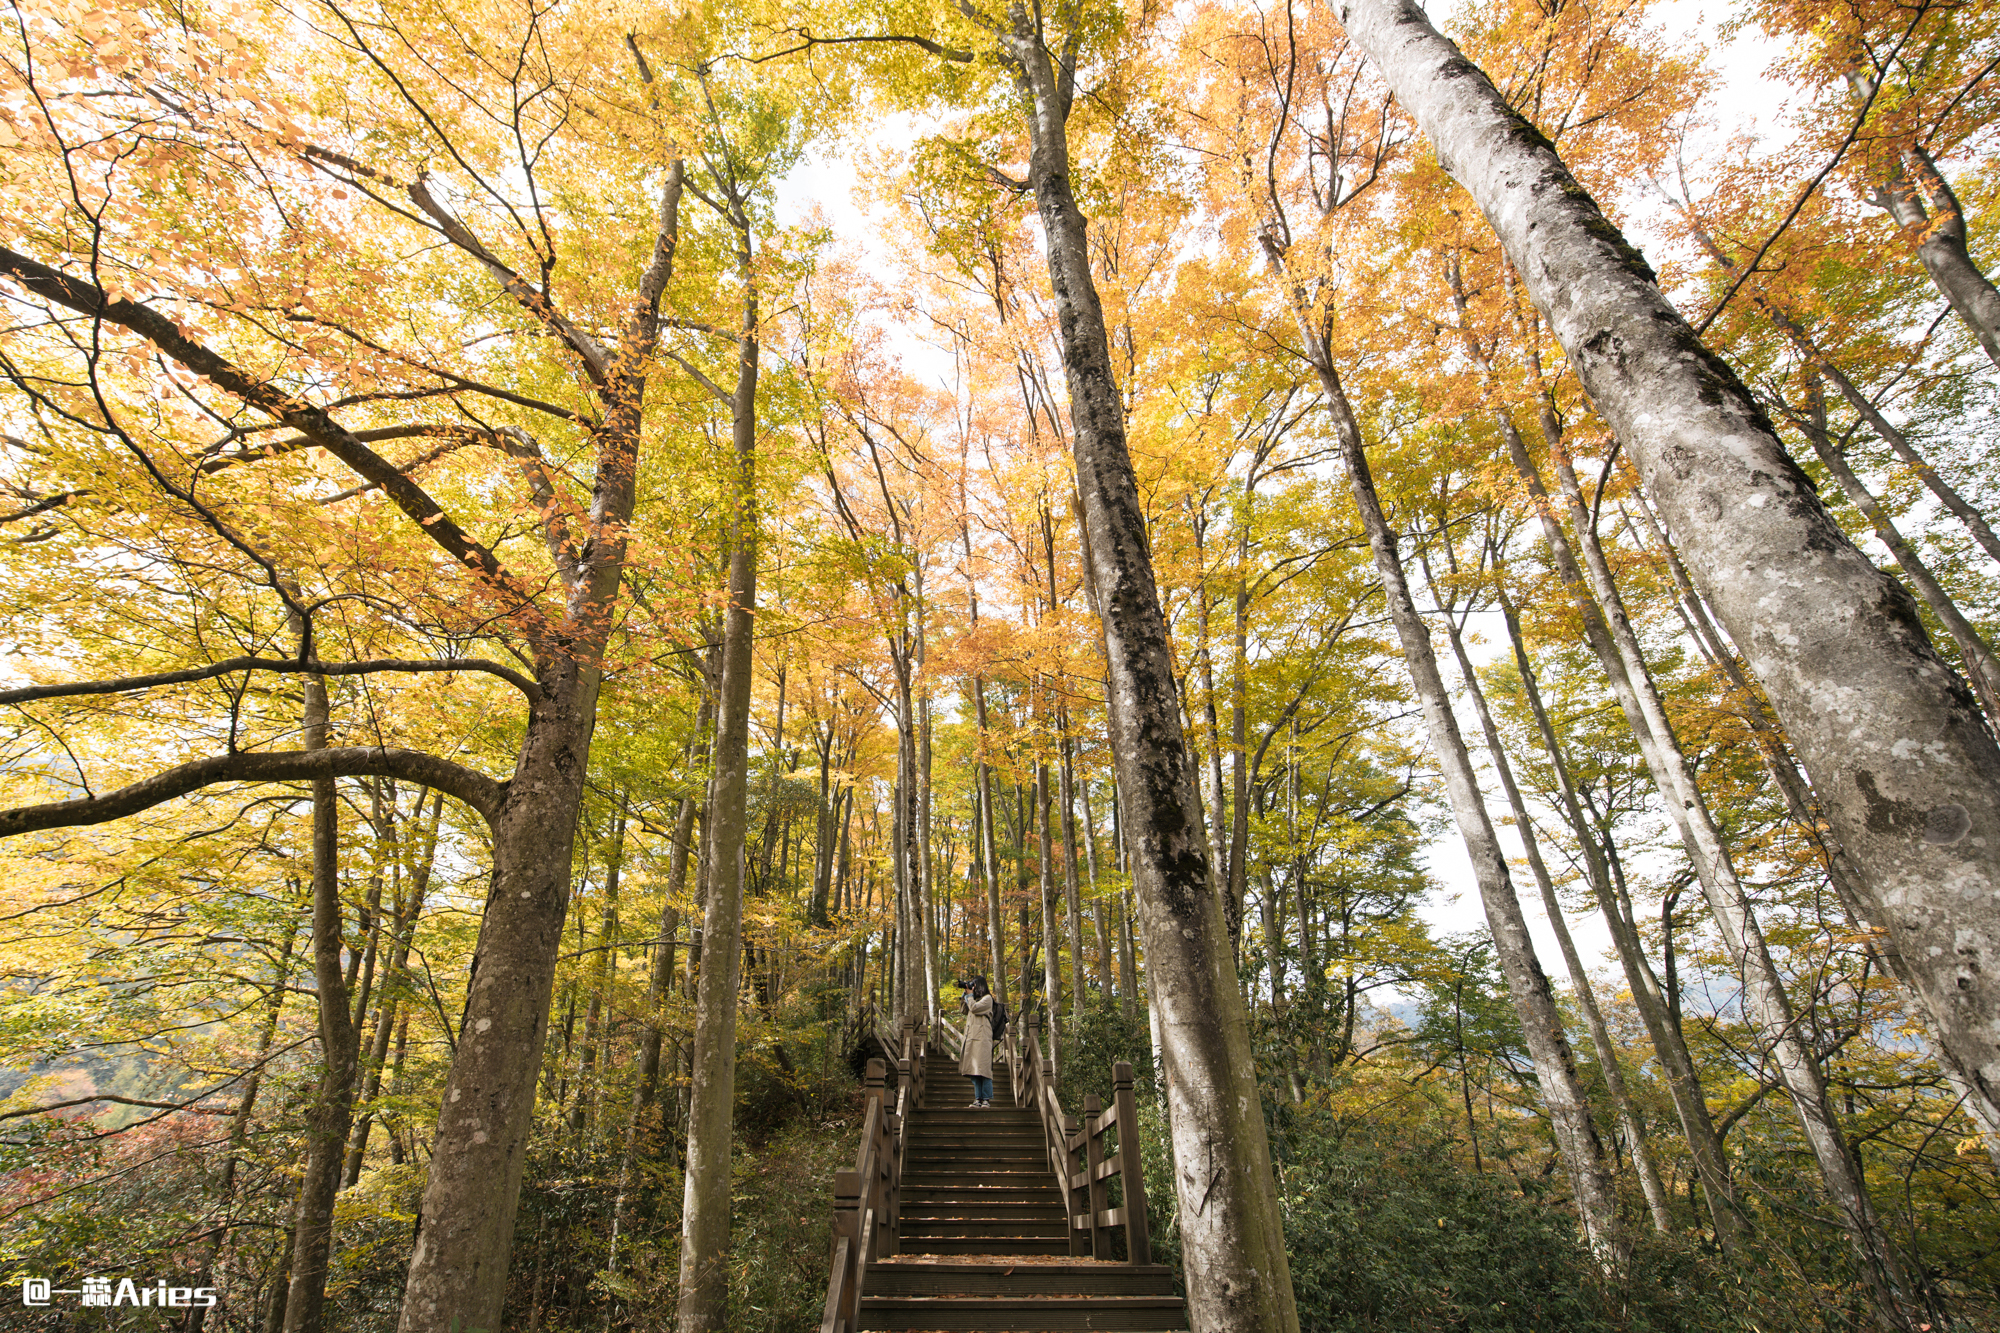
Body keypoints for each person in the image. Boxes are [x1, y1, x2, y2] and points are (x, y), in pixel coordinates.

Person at [959, 976, 995, 1107]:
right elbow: (963, 1010)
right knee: (974, 1071)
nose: (971, 987)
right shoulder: (972, 999)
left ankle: (986, 1099)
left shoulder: (987, 999)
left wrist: (970, 997)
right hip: (972, 1039)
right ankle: (977, 1098)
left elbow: (974, 1008)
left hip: (982, 1038)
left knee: (983, 1070)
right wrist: (965, 994)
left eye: (973, 985)